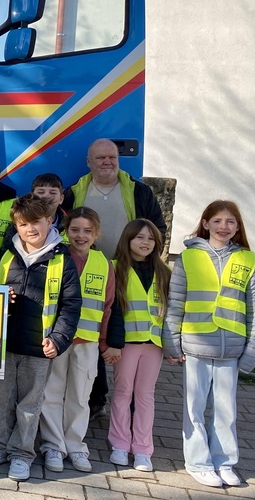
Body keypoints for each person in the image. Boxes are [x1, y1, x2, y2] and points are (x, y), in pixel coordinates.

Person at [0, 193, 81, 482]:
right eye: (23, 224)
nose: (29, 229)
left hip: (39, 347)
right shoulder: (7, 256)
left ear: (49, 220)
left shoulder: (63, 258)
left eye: (35, 222)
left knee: (29, 405)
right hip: (4, 344)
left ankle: (22, 454)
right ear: (16, 226)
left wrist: (58, 339)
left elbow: (71, 306)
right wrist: (1, 298)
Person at [163, 201, 255, 488]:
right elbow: (176, 303)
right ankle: (198, 463)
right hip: (195, 345)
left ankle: (224, 462)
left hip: (231, 349)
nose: (224, 226)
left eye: (230, 221)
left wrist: (252, 350)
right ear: (205, 223)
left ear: (237, 227)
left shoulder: (248, 260)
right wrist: (172, 342)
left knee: (226, 410)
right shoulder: (188, 258)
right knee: (194, 407)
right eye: (218, 220)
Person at [65, 138, 169, 417]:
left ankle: (133, 403)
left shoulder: (139, 191)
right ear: (89, 162)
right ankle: (96, 398)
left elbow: (157, 228)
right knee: (94, 332)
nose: (107, 162)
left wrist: (143, 255)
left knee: (125, 335)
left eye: (112, 157)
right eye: (100, 158)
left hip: (128, 273)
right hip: (90, 270)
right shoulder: (75, 191)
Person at [38, 207, 121, 473]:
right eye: (75, 229)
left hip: (87, 342)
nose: (81, 235)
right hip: (58, 339)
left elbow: (108, 306)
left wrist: (106, 341)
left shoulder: (103, 263)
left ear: (96, 233)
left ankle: (75, 446)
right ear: (66, 231)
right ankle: (52, 445)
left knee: (80, 396)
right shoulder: (56, 257)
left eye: (87, 231)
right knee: (51, 392)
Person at [106, 219, 170, 473]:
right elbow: (112, 310)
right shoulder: (115, 268)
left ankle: (143, 448)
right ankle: (119, 444)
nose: (145, 243)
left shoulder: (164, 272)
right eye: (139, 237)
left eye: (151, 239)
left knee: (145, 395)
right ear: (128, 240)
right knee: (123, 392)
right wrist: (113, 343)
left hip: (154, 344)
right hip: (126, 344)